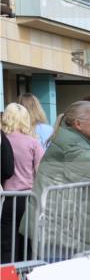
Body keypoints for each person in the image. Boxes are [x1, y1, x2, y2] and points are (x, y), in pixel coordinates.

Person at [21, 101, 90, 259]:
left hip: (62, 229)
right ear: (78, 124)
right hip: (57, 233)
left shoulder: (79, 142)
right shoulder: (72, 145)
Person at [1, 103, 44, 262]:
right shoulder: (33, 143)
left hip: (7, 198)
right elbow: (41, 173)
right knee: (28, 244)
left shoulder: (2, 142)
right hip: (29, 198)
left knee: (7, 244)